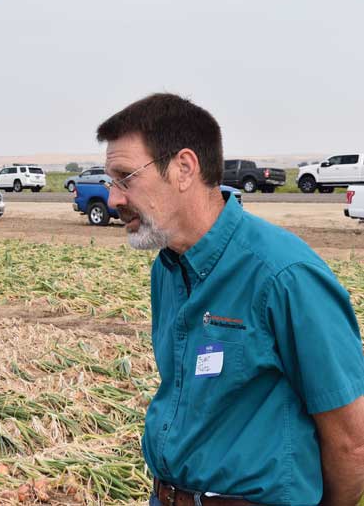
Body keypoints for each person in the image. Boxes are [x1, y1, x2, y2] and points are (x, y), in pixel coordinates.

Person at [97, 93, 364, 505]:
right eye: (110, 181)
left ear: (184, 168)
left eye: (125, 177)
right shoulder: (168, 268)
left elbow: (352, 442)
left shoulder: (284, 275)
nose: (113, 198)